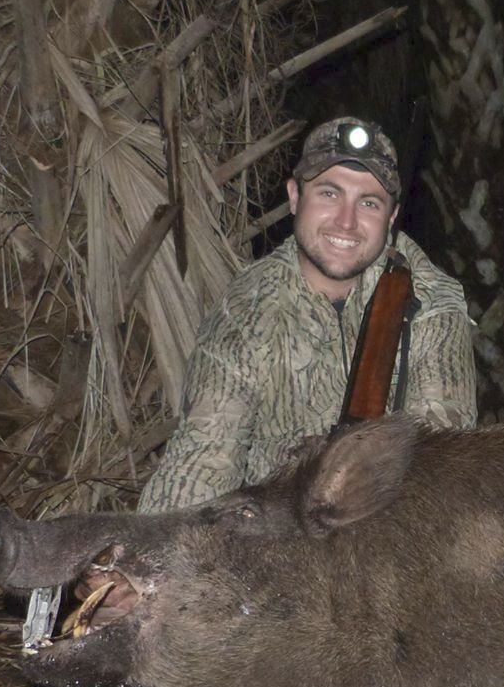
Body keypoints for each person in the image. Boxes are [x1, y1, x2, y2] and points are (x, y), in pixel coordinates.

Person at [137, 116, 477, 513]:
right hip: (275, 536)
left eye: (368, 203)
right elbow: (203, 459)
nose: (346, 222)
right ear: (295, 197)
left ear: (391, 217)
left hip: (391, 530)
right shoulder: (247, 311)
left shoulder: (431, 302)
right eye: (329, 194)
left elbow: (441, 466)